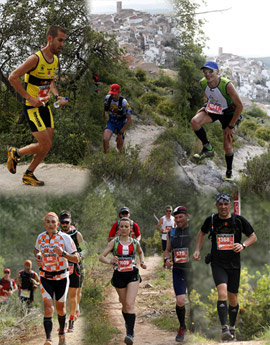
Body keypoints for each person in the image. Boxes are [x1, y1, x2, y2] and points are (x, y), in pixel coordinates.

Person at [7, 25, 68, 186]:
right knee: (45, 143)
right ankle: (16, 153)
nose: (62, 44)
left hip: (45, 106)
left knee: (47, 145)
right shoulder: (35, 59)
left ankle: (28, 173)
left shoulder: (55, 59)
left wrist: (57, 96)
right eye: (59, 40)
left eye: (64, 41)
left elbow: (51, 81)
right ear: (50, 39)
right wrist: (29, 98)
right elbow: (13, 77)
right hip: (32, 107)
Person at [193, 193, 257, 341]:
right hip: (218, 263)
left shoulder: (239, 221)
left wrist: (242, 245)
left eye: (225, 204)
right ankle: (224, 329)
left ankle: (232, 328)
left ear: (229, 205)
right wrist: (197, 250)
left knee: (233, 298)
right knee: (222, 293)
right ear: (216, 205)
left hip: (234, 264)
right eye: (220, 204)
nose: (223, 207)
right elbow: (201, 233)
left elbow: (253, 237)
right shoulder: (212, 220)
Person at [190, 61, 243, 180]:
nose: (207, 74)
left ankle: (229, 171)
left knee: (227, 147)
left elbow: (240, 106)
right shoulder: (203, 83)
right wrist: (205, 105)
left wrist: (231, 126)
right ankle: (208, 148)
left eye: (210, 72)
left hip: (229, 114)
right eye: (205, 72)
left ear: (217, 72)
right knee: (195, 121)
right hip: (215, 109)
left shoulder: (227, 85)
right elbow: (208, 96)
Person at [34, 212, 80, 345]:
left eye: (53, 222)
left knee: (60, 308)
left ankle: (61, 332)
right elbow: (36, 249)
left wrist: (63, 253)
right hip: (45, 276)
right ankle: (48, 338)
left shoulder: (65, 238)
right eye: (48, 222)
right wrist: (38, 256)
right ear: (44, 224)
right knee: (48, 307)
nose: (50, 224)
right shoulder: (40, 237)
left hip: (61, 277)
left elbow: (77, 258)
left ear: (57, 224)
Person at [99, 217, 147, 345]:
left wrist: (142, 262)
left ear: (131, 229)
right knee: (124, 304)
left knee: (130, 303)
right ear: (118, 229)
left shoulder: (135, 243)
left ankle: (130, 334)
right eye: (122, 226)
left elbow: (141, 253)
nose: (124, 229)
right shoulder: (114, 242)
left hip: (132, 275)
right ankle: (128, 324)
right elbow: (101, 257)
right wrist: (110, 261)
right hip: (119, 276)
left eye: (127, 226)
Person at [164, 206, 191, 342]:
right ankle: (182, 326)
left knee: (195, 300)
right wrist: (166, 259)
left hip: (193, 271)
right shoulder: (172, 233)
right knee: (180, 301)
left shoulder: (194, 230)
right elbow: (167, 250)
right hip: (178, 270)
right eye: (176, 217)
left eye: (181, 217)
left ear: (187, 216)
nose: (178, 220)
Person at [59, 210, 86, 332]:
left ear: (70, 221)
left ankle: (71, 321)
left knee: (74, 295)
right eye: (62, 222)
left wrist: (79, 255)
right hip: (62, 267)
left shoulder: (77, 234)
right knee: (64, 296)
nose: (65, 225)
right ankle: (65, 319)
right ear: (60, 223)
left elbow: (86, 249)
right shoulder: (57, 235)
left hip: (76, 267)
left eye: (66, 222)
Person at [103, 84, 132, 153]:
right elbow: (104, 106)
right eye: (112, 94)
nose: (113, 96)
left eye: (115, 94)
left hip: (121, 124)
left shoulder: (124, 103)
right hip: (111, 122)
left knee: (119, 146)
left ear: (119, 92)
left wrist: (120, 133)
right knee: (105, 139)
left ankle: (121, 159)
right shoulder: (107, 98)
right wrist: (104, 114)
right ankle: (106, 158)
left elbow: (129, 120)